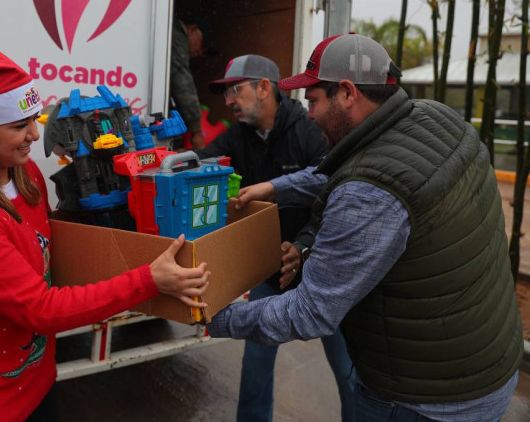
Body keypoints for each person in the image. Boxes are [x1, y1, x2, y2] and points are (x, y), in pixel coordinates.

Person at [208, 33, 524, 421]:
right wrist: (278, 187)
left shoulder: (367, 194)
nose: (308, 113)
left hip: (422, 400)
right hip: (485, 364)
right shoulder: (433, 118)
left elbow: (310, 312)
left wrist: (212, 317)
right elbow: (366, 173)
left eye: (314, 101)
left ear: (346, 92)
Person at [0, 43, 211, 422]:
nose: (34, 136)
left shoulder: (26, 177)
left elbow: (51, 256)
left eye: (34, 121)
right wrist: (147, 280)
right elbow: (41, 309)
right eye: (19, 126)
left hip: (36, 379)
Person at [195, 54, 356, 421]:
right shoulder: (239, 136)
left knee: (348, 373)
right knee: (255, 368)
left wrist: (302, 245)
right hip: (273, 271)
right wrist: (163, 163)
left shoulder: (310, 131)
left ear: (264, 88)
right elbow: (202, 163)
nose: (229, 100)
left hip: (323, 271)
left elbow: (333, 196)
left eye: (236, 89)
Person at [170, 18, 207, 149]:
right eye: (202, 45)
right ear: (192, 29)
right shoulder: (176, 34)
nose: (199, 53)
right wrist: (196, 132)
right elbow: (182, 82)